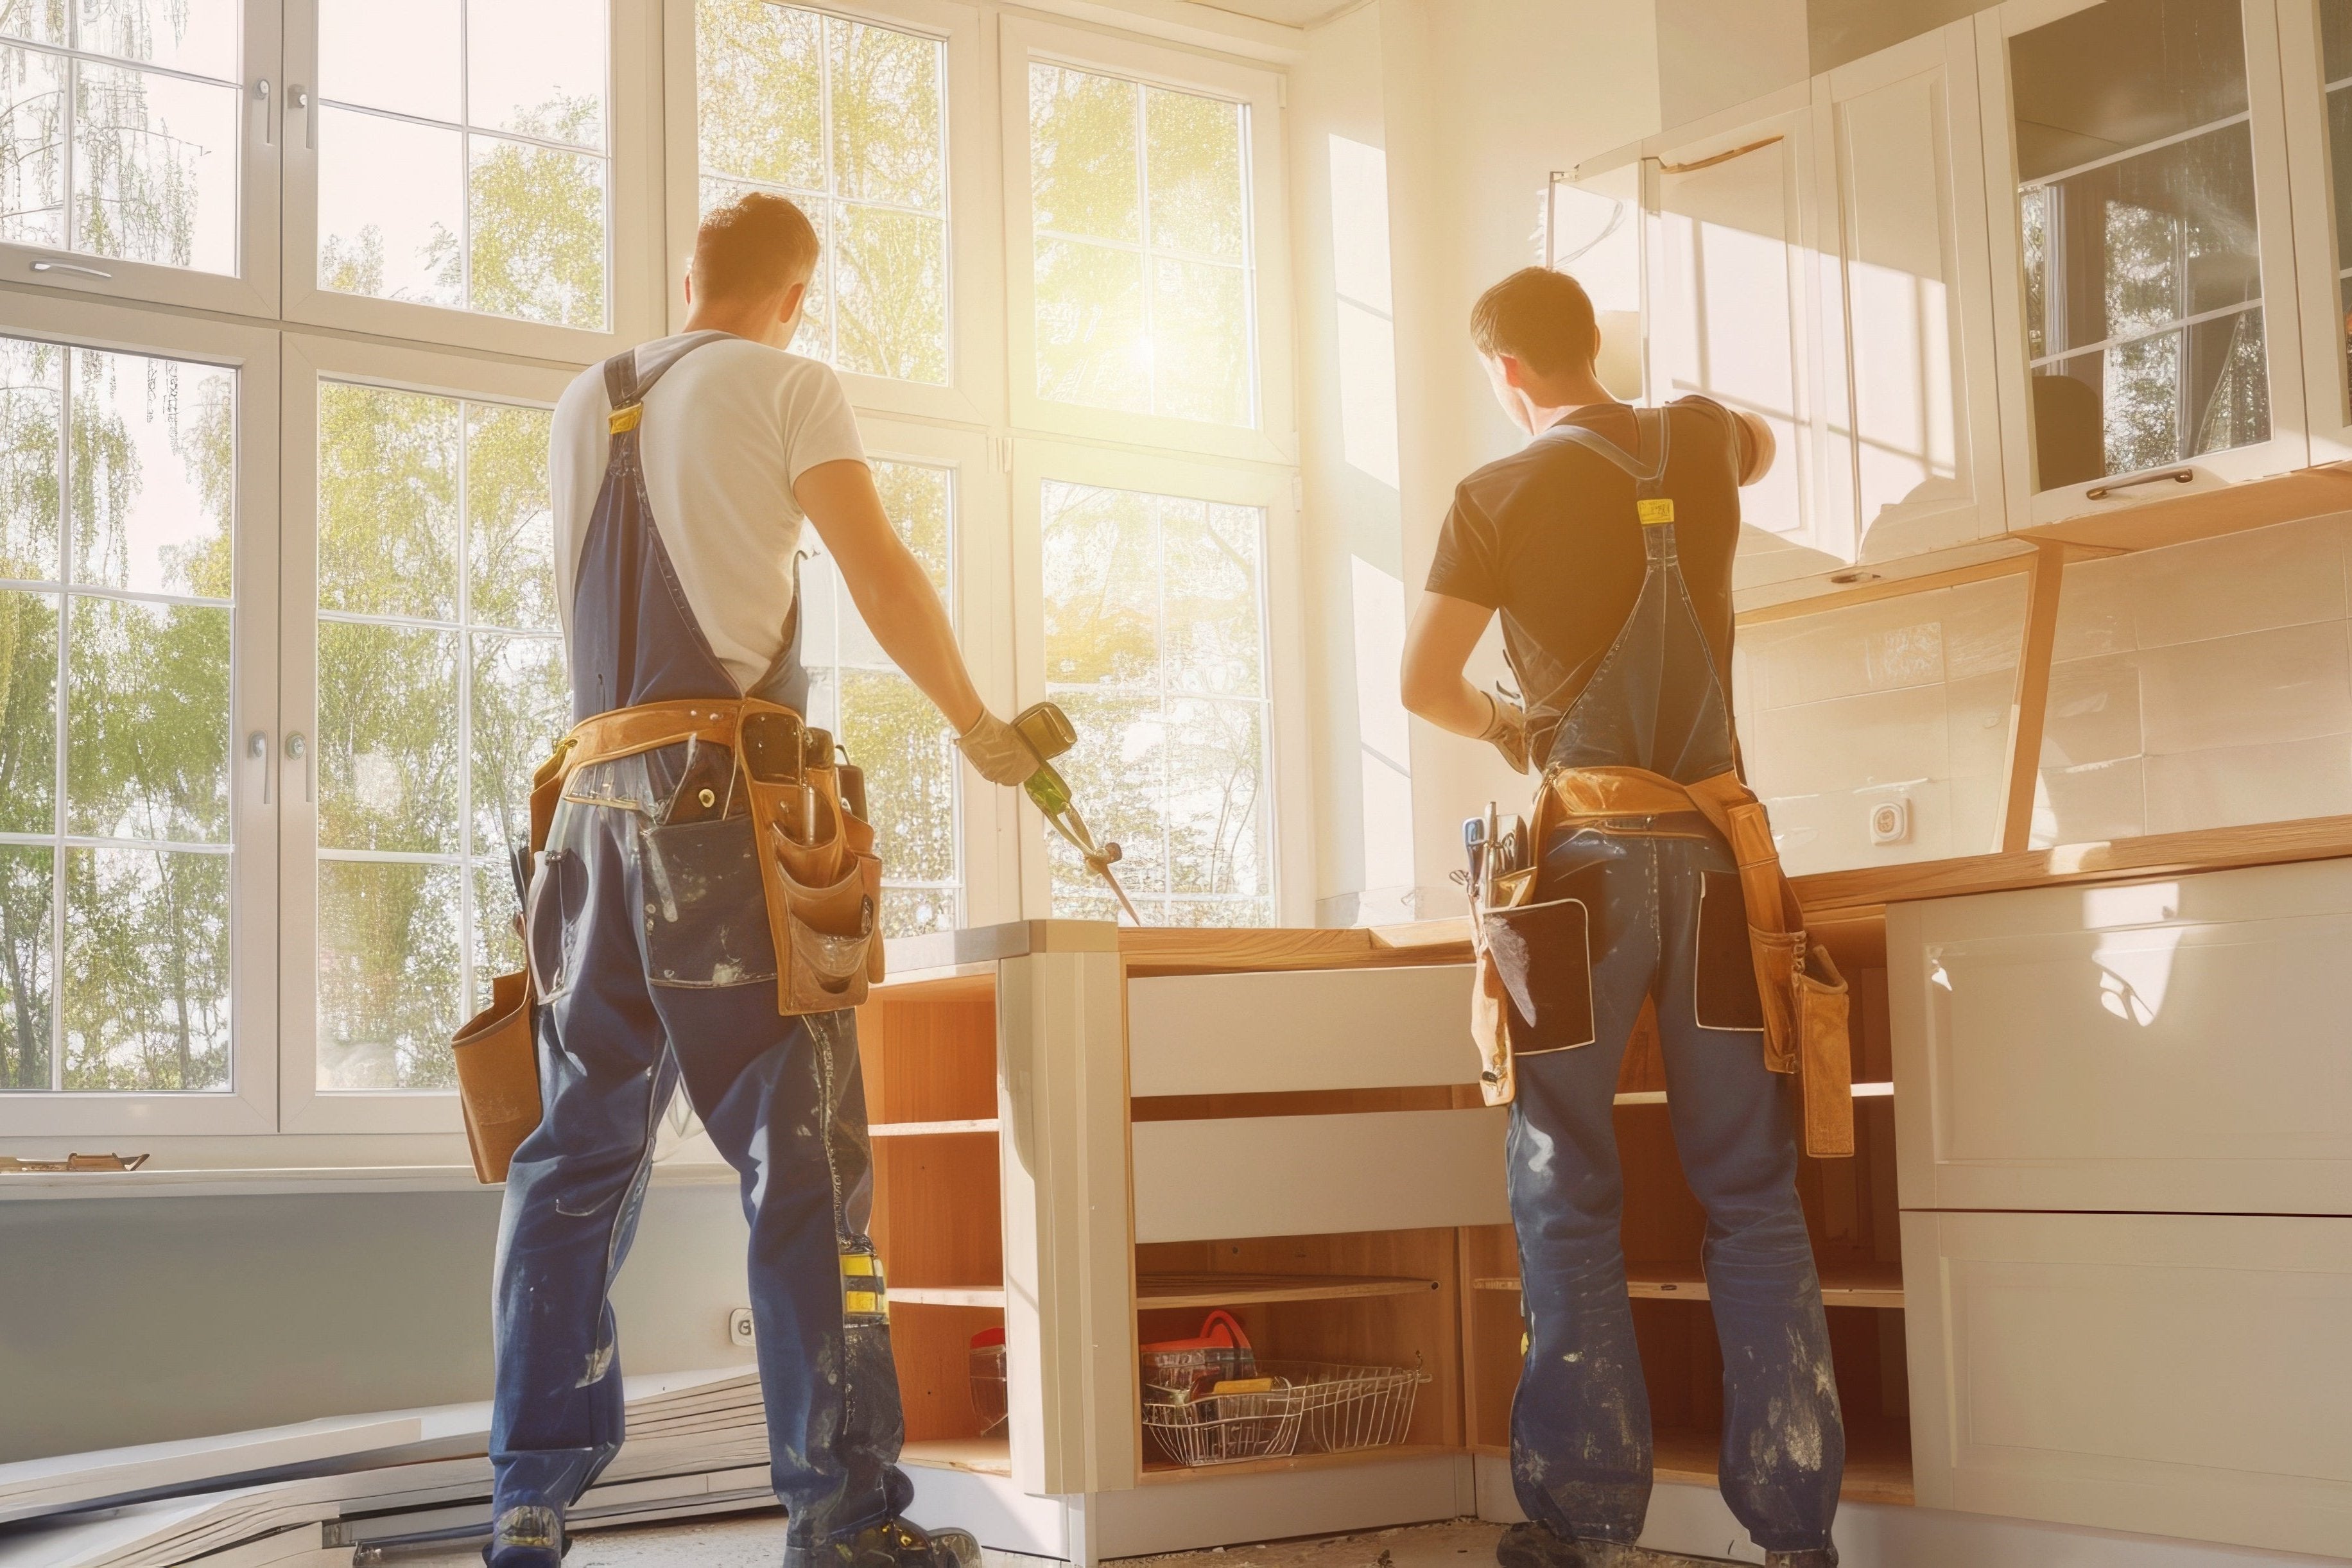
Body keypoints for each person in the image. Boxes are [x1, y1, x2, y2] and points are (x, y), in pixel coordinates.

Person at [485, 191, 1043, 1568]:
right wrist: (977, 723)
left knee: (569, 1166)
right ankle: (846, 1517)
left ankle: (528, 1502)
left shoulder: (580, 401)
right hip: (714, 816)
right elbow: (881, 569)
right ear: (796, 294)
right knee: (802, 1164)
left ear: (691, 277)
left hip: (582, 826)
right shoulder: (790, 383)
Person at [1400, 267, 1843, 1568]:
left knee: (1562, 1181)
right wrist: (1682, 424)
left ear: (1505, 375)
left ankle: (1585, 1529)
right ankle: (1796, 1536)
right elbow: (1757, 438)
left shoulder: (1494, 491)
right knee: (1752, 1193)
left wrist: (1509, 726)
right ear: (1589, 346)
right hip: (1715, 865)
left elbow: (1423, 681)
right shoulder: (1701, 438)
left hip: (1576, 874)